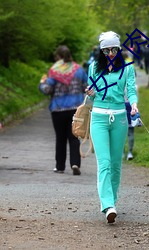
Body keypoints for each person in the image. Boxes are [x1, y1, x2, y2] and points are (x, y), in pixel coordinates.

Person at [85, 31, 138, 223]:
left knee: (116, 164)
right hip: (98, 117)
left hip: (120, 118)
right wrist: (90, 92)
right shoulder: (93, 68)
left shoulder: (127, 69)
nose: (110, 53)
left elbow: (131, 90)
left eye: (113, 49)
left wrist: (133, 104)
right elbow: (91, 96)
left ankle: (112, 201)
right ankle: (107, 204)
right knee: (104, 163)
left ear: (119, 49)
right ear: (101, 51)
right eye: (106, 50)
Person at [39, 45, 88, 175]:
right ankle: (75, 163)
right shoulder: (79, 70)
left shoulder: (54, 71)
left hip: (58, 109)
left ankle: (60, 166)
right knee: (73, 137)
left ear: (58, 57)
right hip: (75, 109)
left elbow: (47, 90)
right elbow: (87, 86)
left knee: (60, 138)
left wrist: (42, 83)